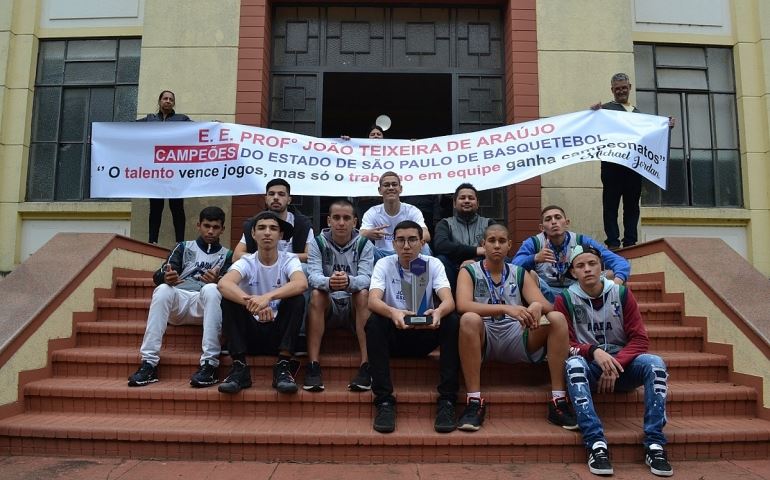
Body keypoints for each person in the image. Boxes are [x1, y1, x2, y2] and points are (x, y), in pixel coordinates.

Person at [556, 245, 672, 477]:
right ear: (572, 273)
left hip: (623, 367)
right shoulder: (565, 299)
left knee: (655, 363)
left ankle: (655, 444)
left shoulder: (621, 294)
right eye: (580, 266)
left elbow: (640, 340)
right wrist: (594, 352)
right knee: (573, 365)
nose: (587, 269)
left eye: (592, 264)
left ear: (602, 268)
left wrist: (615, 363)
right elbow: (564, 344)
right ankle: (596, 444)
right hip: (589, 365)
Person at [455, 224, 577, 431]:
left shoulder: (519, 272)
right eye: (491, 241)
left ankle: (558, 401)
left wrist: (537, 305)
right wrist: (506, 308)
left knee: (556, 318)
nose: (496, 245)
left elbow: (546, 305)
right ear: (483, 244)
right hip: (484, 335)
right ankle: (474, 401)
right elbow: (463, 304)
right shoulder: (469, 270)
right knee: (468, 319)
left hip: (517, 335)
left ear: (509, 245)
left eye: (502, 241)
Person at [365, 220, 460, 434]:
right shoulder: (385, 264)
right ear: (393, 243)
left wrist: (438, 312)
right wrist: (393, 312)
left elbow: (449, 301)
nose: (406, 246)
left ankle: (447, 401)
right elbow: (373, 301)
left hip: (424, 333)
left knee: (452, 320)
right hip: (396, 335)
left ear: (421, 243)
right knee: (374, 321)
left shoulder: (431, 263)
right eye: (400, 240)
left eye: (412, 240)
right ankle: (384, 402)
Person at [128, 206, 232, 388]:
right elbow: (159, 275)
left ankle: (209, 364)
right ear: (198, 225)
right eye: (207, 226)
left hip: (206, 307)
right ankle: (149, 363)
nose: (210, 231)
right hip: (180, 304)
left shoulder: (228, 255)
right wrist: (165, 277)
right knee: (162, 289)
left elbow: (232, 284)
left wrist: (219, 280)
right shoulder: (183, 247)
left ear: (222, 229)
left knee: (212, 289)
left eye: (216, 227)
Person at [217, 211, 308, 394]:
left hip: (278, 334)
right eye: (261, 228)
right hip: (250, 334)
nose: (267, 232)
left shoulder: (289, 259)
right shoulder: (247, 261)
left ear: (281, 235)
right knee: (229, 300)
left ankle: (283, 365)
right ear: (253, 234)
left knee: (296, 299)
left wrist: (267, 297)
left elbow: (301, 283)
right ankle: (239, 367)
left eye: (273, 228)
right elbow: (223, 284)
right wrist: (253, 304)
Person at [591, 73, 674, 249]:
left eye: (624, 87)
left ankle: (630, 242)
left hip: (634, 169)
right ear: (612, 90)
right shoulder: (604, 110)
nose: (621, 91)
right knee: (611, 205)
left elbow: (650, 137)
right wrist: (592, 113)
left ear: (629, 88)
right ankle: (613, 242)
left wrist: (666, 126)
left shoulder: (638, 114)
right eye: (617, 88)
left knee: (632, 206)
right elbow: (591, 127)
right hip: (612, 168)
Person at [304, 199, 374, 392]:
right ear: (328, 221)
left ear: (355, 222)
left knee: (364, 294)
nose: (341, 223)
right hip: (330, 305)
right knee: (317, 294)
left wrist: (349, 282)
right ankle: (313, 366)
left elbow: (367, 277)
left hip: (353, 305)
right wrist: (329, 283)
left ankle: (366, 366)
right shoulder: (317, 242)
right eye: (336, 218)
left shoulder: (364, 243)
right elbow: (313, 275)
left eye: (346, 218)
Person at [512, 205, 630, 303]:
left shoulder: (580, 240)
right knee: (529, 274)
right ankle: (545, 309)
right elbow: (514, 267)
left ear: (566, 222)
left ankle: (608, 309)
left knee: (611, 274)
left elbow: (620, 262)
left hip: (577, 289)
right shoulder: (534, 243)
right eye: (548, 219)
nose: (554, 222)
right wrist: (535, 257)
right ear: (542, 227)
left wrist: (616, 284)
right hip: (544, 291)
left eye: (558, 217)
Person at [137, 90, 192, 244]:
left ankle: (179, 242)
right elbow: (128, 130)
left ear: (173, 103)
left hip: (175, 171)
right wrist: (103, 133)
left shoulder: (182, 120)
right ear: (159, 101)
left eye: (171, 99)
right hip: (155, 172)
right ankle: (152, 241)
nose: (168, 101)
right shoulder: (149, 120)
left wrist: (215, 125)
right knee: (155, 207)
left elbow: (199, 130)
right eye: (165, 98)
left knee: (177, 208)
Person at [233, 178, 313, 262]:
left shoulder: (303, 224)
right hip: (259, 268)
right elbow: (236, 256)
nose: (275, 197)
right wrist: (264, 258)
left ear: (289, 200)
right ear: (266, 199)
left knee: (305, 268)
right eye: (271, 194)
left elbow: (310, 256)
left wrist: (278, 257)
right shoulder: (254, 223)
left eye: (281, 194)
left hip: (292, 269)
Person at [433, 183, 495, 290]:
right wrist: (476, 250)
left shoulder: (489, 223)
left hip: (483, 266)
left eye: (471, 198)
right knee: (440, 260)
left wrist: (475, 260)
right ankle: (450, 302)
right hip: (453, 269)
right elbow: (441, 245)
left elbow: (496, 247)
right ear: (454, 203)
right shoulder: (445, 223)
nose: (467, 201)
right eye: (462, 198)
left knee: (505, 259)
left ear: (477, 203)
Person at [360, 171, 432, 262]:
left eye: (394, 184)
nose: (391, 188)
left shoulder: (412, 210)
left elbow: (426, 234)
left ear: (400, 189)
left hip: (406, 250)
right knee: (366, 246)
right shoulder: (372, 212)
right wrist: (368, 234)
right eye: (386, 185)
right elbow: (359, 236)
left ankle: (420, 276)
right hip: (382, 254)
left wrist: (408, 239)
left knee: (424, 246)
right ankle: (367, 276)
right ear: (379, 190)